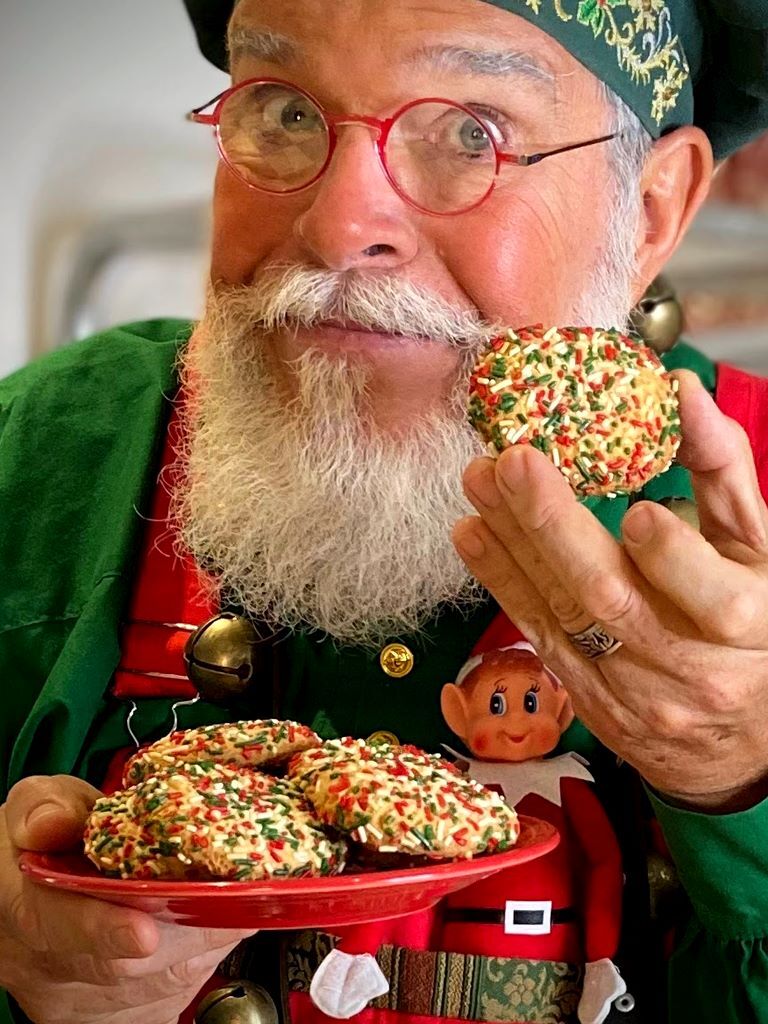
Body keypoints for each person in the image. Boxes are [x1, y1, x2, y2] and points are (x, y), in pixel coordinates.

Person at [1, 0, 768, 1022]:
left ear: (654, 209)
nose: (337, 227)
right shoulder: (39, 455)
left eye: (470, 135)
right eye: (281, 113)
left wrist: (743, 784)